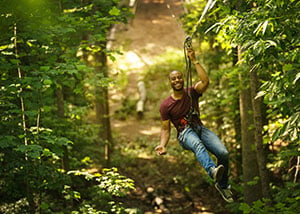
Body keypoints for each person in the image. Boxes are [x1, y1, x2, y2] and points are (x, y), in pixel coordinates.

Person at [155, 48, 233, 203]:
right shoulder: (166, 105)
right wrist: (162, 145)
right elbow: (165, 128)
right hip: (185, 133)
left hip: (199, 128)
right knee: (197, 144)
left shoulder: (192, 92)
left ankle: (222, 185)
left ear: (183, 79)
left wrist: (194, 60)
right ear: (170, 82)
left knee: (223, 154)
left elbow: (205, 81)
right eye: (173, 79)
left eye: (179, 78)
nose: (177, 80)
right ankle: (212, 170)